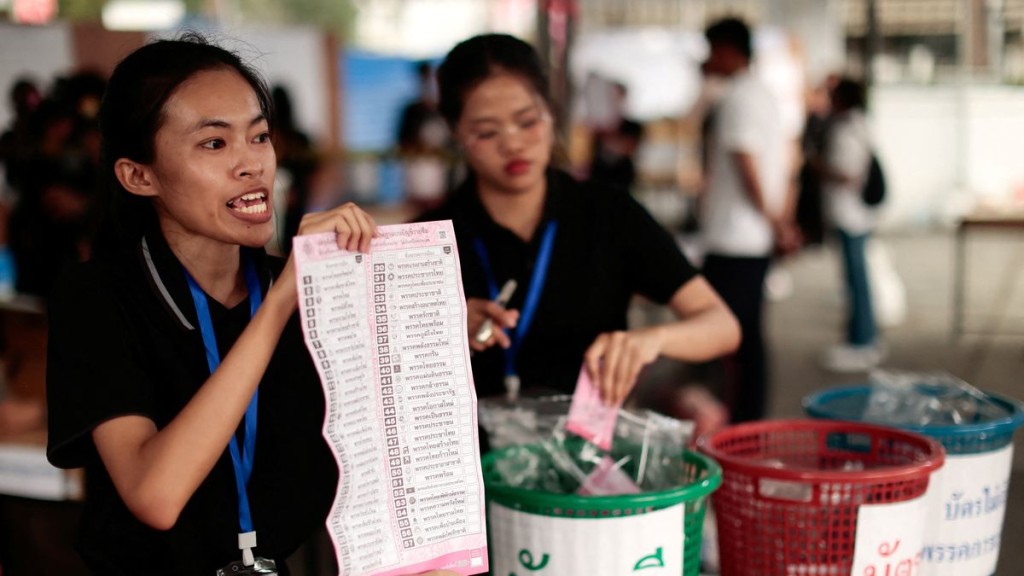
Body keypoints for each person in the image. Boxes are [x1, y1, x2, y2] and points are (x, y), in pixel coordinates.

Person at [44, 34, 454, 576]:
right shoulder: (98, 296)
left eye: (259, 136)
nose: (251, 164)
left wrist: (441, 327)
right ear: (139, 176)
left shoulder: (312, 289)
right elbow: (154, 494)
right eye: (214, 144)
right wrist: (283, 299)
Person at [416, 33, 740, 413]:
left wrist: (652, 340)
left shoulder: (608, 214)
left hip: (587, 456)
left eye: (527, 121)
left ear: (551, 113)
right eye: (487, 132)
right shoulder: (422, 242)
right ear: (455, 132)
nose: (514, 144)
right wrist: (439, 327)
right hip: (464, 464)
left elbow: (722, 326)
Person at [698, 17, 798, 423]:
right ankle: (746, 419)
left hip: (734, 239)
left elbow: (747, 163)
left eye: (711, 51)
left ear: (726, 50)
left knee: (733, 337)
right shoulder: (762, 94)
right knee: (747, 335)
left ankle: (741, 422)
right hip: (745, 237)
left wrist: (777, 223)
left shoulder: (740, 97)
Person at [818, 77, 885, 372]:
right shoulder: (860, 124)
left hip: (850, 216)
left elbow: (847, 174)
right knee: (857, 280)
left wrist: (816, 166)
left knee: (856, 282)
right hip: (857, 215)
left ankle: (862, 342)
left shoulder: (846, 129)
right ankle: (861, 338)